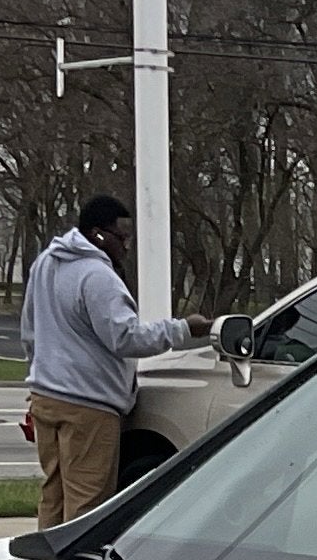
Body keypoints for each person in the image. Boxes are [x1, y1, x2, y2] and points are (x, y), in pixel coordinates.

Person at [20, 194, 193, 528]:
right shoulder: (97, 276)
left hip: (46, 398)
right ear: (98, 234)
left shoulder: (45, 263)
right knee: (87, 501)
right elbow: (126, 338)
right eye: (121, 236)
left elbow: (30, 330)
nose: (126, 245)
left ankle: (44, 556)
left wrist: (38, 373)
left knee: (54, 494)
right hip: (88, 406)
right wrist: (183, 329)